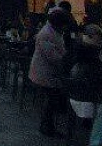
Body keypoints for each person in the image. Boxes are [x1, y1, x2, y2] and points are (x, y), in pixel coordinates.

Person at [29, 8, 70, 138]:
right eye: (64, 25)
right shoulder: (46, 34)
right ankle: (46, 126)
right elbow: (53, 57)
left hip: (48, 72)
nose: (65, 28)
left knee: (52, 99)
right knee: (51, 100)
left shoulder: (53, 32)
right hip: (44, 73)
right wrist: (65, 59)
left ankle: (48, 125)